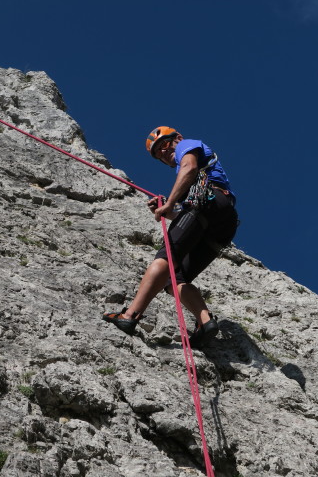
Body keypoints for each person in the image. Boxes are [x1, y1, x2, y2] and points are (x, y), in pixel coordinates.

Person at [102, 126, 238, 349]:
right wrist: (170, 210)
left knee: (165, 259)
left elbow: (189, 167)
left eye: (164, 145)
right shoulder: (194, 184)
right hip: (222, 220)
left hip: (209, 205)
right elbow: (190, 219)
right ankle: (205, 322)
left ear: (178, 139)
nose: (164, 153)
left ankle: (130, 316)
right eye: (158, 154)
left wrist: (168, 203)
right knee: (175, 277)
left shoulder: (188, 146)